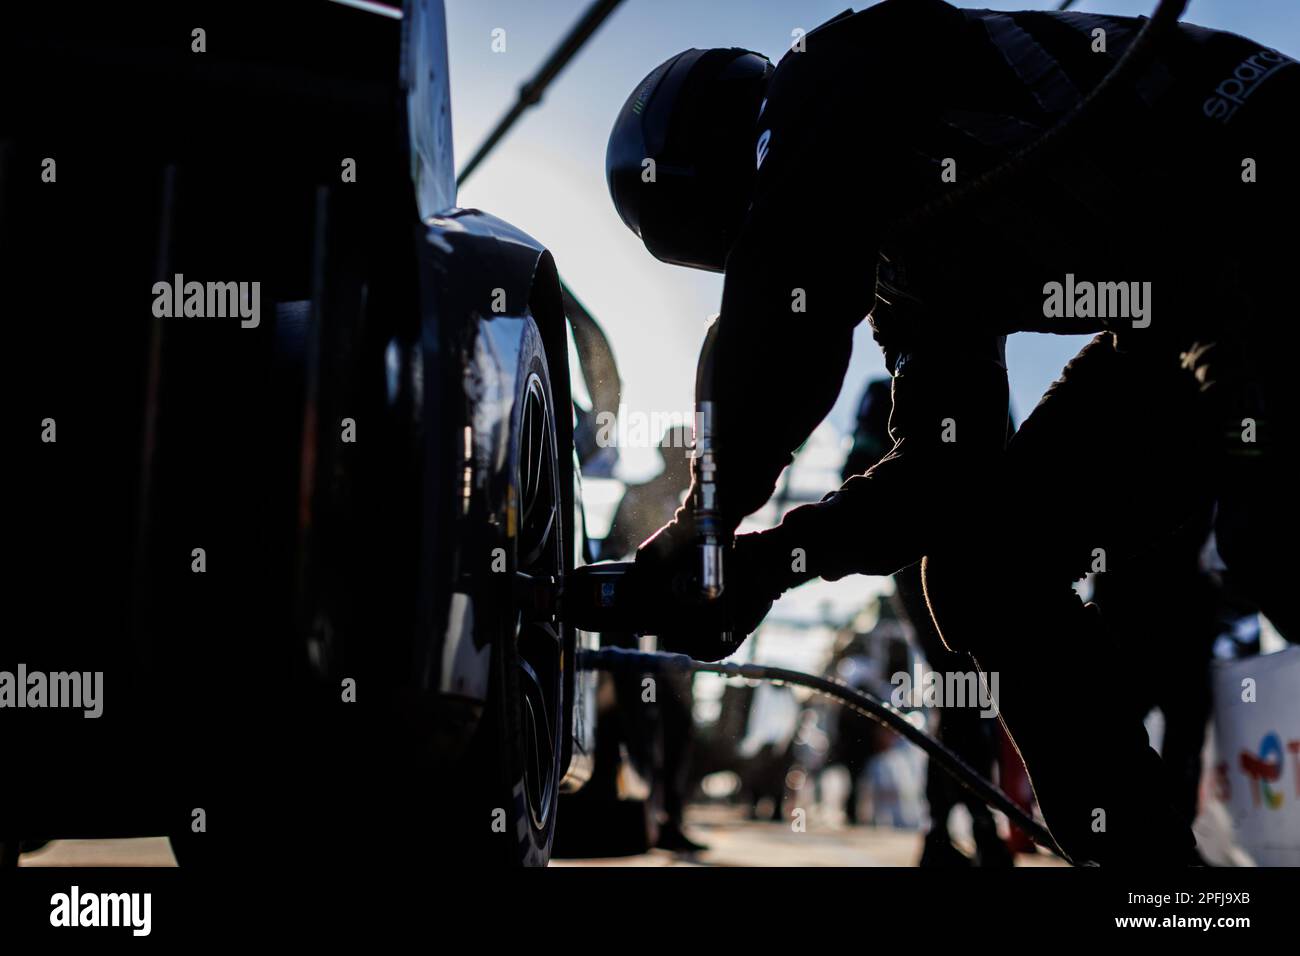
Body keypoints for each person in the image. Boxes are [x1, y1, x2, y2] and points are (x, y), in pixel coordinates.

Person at [605, 0, 1298, 864]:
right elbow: (944, 473)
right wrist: (766, 564)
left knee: (1276, 532)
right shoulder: (914, 271)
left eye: (745, 244)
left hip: (1272, 186)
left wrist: (709, 514)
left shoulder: (833, 66)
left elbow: (790, 291)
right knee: (984, 568)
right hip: (1187, 304)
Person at [599, 426, 708, 853]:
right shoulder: (640, 495)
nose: (684, 462)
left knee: (678, 725)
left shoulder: (701, 503)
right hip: (637, 632)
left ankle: (671, 816)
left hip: (679, 636)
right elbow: (612, 550)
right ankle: (640, 812)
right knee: (638, 722)